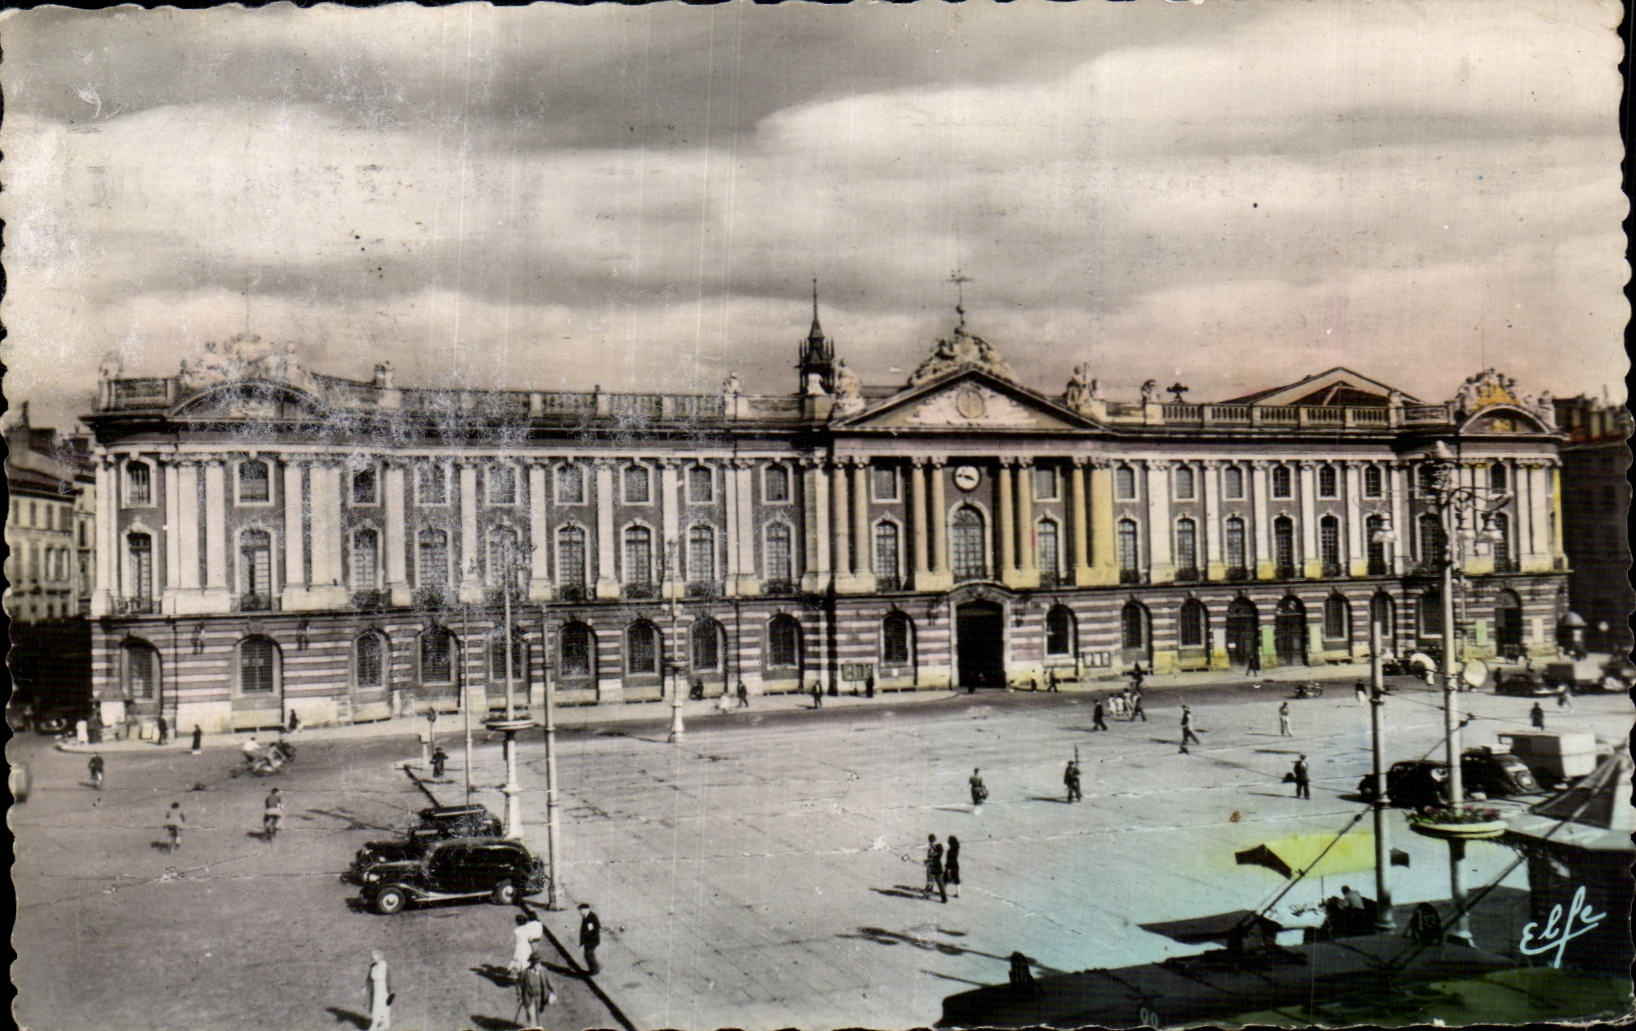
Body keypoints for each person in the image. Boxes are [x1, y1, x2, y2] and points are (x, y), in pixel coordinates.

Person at [515, 950, 555, 1026]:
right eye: (536, 963)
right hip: (530, 999)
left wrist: (553, 994)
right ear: (532, 964)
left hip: (540, 999)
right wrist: (519, 996)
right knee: (532, 1018)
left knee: (539, 1018)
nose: (538, 965)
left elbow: (550, 984)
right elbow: (518, 983)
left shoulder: (543, 971)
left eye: (539, 963)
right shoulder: (526, 973)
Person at [509, 911, 544, 979]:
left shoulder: (517, 930)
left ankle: (517, 973)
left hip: (520, 946)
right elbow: (530, 937)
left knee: (519, 959)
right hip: (528, 945)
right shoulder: (529, 928)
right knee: (527, 958)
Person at [366, 950, 392, 1031]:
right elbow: (369, 978)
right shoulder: (373, 966)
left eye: (375, 956)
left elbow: (387, 978)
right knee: (376, 1006)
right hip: (376, 988)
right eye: (373, 956)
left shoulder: (384, 965)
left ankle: (385, 1024)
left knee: (383, 1005)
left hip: (383, 988)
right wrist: (366, 987)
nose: (373, 958)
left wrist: (389, 990)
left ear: (380, 956)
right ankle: (375, 1023)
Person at [578, 903, 602, 975]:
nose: (580, 912)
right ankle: (594, 968)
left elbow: (592, 930)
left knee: (588, 955)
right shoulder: (586, 916)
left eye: (581, 910)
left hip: (591, 941)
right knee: (589, 954)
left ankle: (594, 970)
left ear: (585, 910)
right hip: (588, 940)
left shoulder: (591, 917)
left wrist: (587, 940)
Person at [924, 834, 947, 903]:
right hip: (931, 867)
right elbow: (930, 857)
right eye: (930, 842)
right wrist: (927, 861)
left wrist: (929, 860)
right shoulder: (930, 848)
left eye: (932, 841)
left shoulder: (939, 847)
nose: (931, 843)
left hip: (937, 868)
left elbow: (937, 856)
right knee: (930, 882)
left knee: (940, 883)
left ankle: (944, 898)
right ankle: (927, 895)